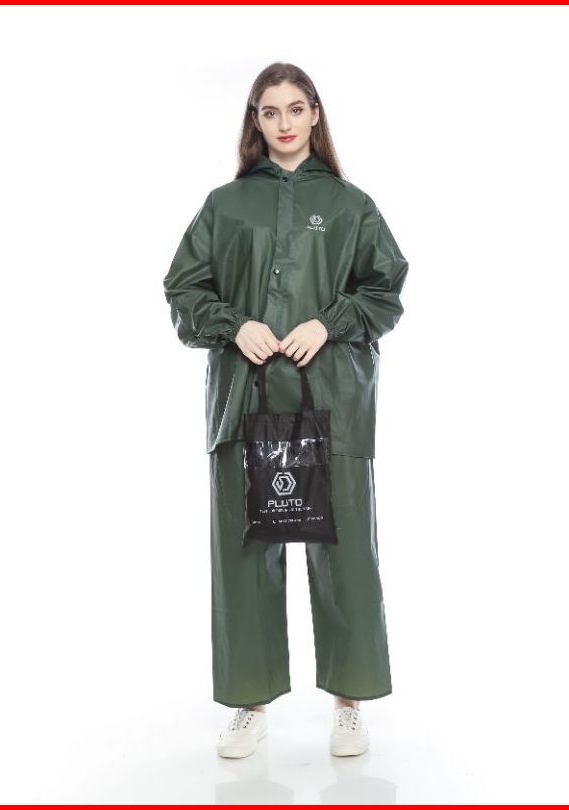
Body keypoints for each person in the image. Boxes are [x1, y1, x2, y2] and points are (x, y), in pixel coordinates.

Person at [163, 62, 408, 759]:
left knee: (345, 551)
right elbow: (183, 287)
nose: (285, 122)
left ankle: (349, 703)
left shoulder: (352, 204)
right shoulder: (225, 205)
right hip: (245, 398)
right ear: (255, 120)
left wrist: (329, 323)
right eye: (270, 111)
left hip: (332, 397)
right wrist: (233, 324)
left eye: (296, 108)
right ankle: (250, 704)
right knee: (244, 552)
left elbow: (385, 289)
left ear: (315, 114)